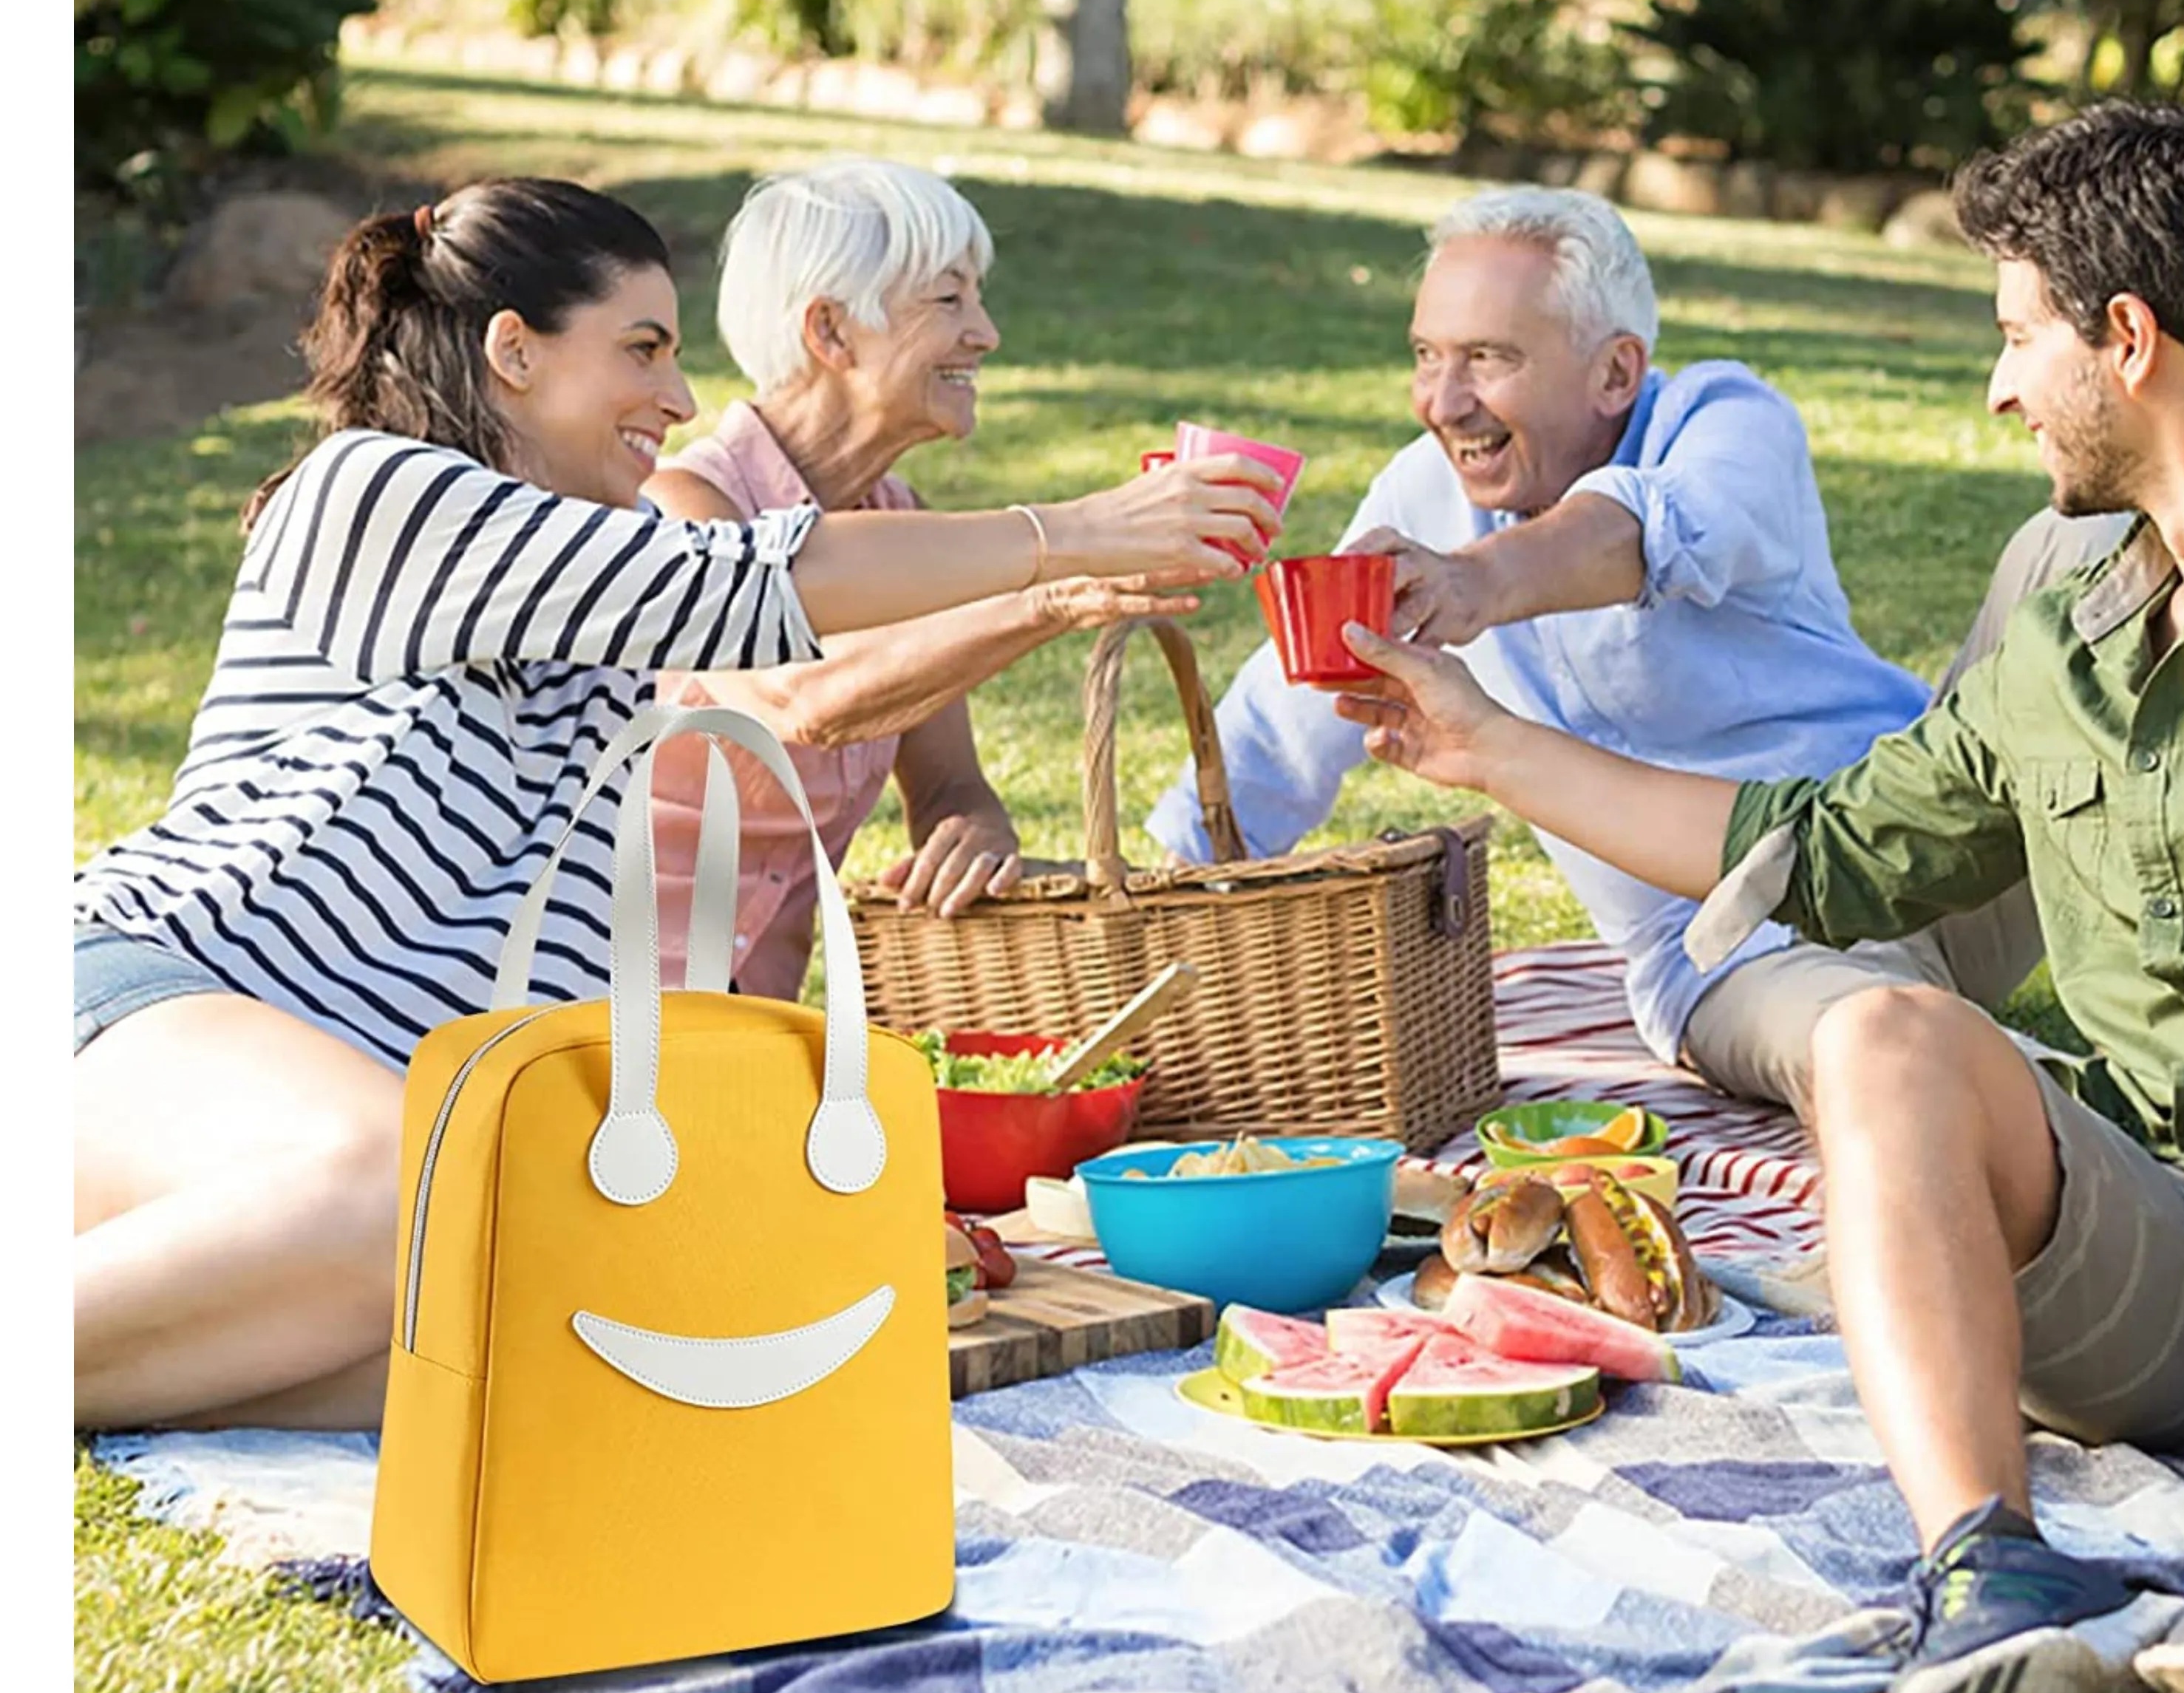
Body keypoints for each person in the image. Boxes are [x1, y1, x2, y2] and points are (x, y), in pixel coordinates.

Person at [1333, 105, 2184, 1693]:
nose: (1997, 383)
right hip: (2158, 1263)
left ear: (2128, 339)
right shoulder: (2072, 621)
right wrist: (1479, 745)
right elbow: (1812, 851)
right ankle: (1989, 1571)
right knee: (1877, 1032)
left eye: (2018, 332)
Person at [72, 178, 1281, 1434]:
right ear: (515, 352)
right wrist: (1076, 533)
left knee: (589, 1353)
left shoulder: (593, 635)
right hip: (139, 1010)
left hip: (320, 1161)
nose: (680, 397)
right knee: (414, 1186)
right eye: (642, 350)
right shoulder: (375, 494)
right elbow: (749, 584)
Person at [1144, 185, 1933, 1079]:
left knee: (2067, 544)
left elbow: (1642, 531)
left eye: (1486, 357)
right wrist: (1161, 894)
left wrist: (1472, 581)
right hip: (1732, 947)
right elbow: (1290, 708)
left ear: (1615, 374)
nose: (1442, 401)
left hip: (1921, 833)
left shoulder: (1724, 422)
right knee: (1881, 1051)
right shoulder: (1420, 494)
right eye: (1425, 355)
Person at [641, 160, 1205, 998]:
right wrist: (1055, 588)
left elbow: (948, 785)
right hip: (592, 1017)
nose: (986, 333)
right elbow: (809, 698)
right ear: (830, 332)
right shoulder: (682, 508)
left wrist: (972, 831)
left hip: (750, 1033)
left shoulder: (900, 515)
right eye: (948, 301)